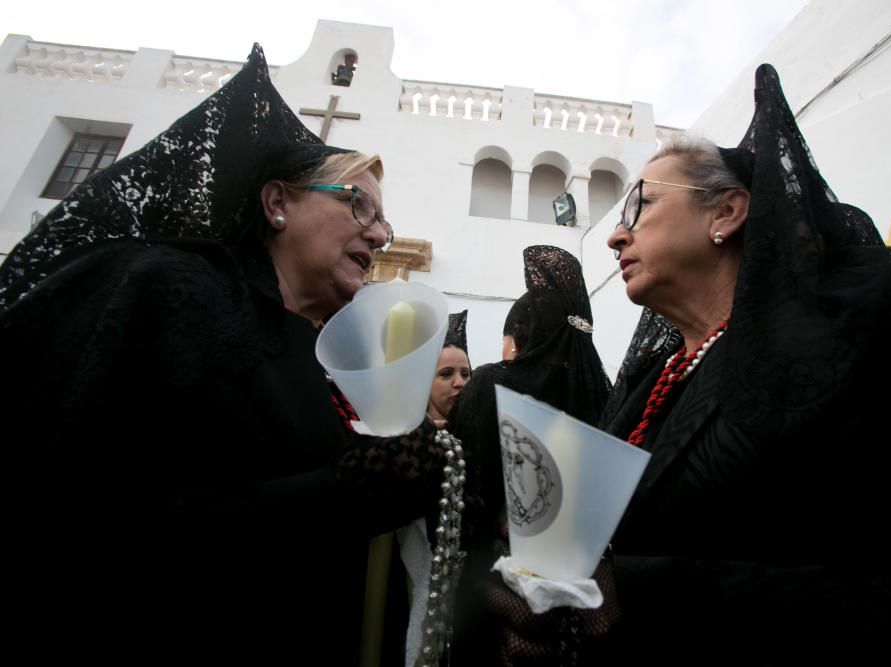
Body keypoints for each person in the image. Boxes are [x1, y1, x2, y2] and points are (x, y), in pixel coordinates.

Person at [492, 65, 891, 665]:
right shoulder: (654, 378)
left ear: (726, 213)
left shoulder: (880, 312)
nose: (614, 237)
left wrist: (643, 592)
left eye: (641, 205)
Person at [1, 45, 448, 655]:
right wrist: (343, 490)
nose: (376, 231)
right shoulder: (169, 290)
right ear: (276, 204)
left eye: (384, 224)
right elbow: (115, 520)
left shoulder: (337, 361)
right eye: (357, 203)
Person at [448, 244, 613, 665]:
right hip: (584, 598)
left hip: (494, 595)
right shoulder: (604, 392)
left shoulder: (491, 387)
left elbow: (463, 499)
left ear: (521, 336)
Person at [427, 311, 473, 429]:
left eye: (465, 374)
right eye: (446, 374)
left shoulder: (478, 436)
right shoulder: (409, 441)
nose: (460, 383)